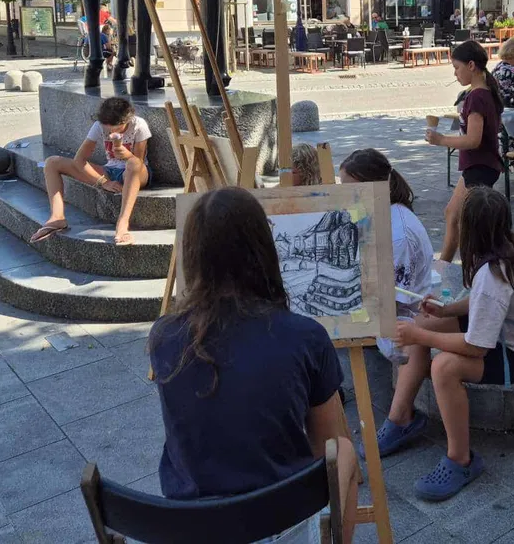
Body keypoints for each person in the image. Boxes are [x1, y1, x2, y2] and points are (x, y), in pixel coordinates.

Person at [148, 188, 358, 544]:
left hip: (191, 526)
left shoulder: (165, 335)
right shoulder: (305, 336)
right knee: (346, 450)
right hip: (276, 521)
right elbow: (328, 451)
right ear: (264, 250)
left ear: (193, 257)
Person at [377, 186, 514, 501]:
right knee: (425, 321)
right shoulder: (512, 245)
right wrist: (446, 311)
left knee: (444, 367)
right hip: (512, 334)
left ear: (469, 232)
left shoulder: (491, 274)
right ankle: (400, 417)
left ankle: (461, 459)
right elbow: (486, 304)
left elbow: (476, 348)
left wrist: (421, 337)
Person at [339, 149, 433, 362]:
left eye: (352, 190)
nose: (346, 199)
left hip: (398, 321)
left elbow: (392, 301)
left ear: (377, 187)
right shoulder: (377, 212)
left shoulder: (398, 233)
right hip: (384, 309)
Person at [30, 96, 151, 245]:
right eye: (108, 127)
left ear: (127, 120)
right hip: (109, 170)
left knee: (132, 164)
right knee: (52, 163)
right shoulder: (99, 126)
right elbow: (79, 160)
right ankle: (57, 217)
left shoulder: (139, 125)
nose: (112, 130)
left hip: (136, 173)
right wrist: (103, 181)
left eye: (117, 127)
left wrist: (126, 155)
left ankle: (123, 223)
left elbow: (138, 161)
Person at [424, 40, 504, 262]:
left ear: (471, 65)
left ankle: (450, 266)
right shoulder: (481, 92)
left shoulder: (477, 96)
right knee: (453, 214)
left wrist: (441, 140)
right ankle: (449, 264)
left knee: (464, 220)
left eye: (457, 68)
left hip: (480, 166)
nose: (455, 74)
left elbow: (473, 140)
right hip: (478, 166)